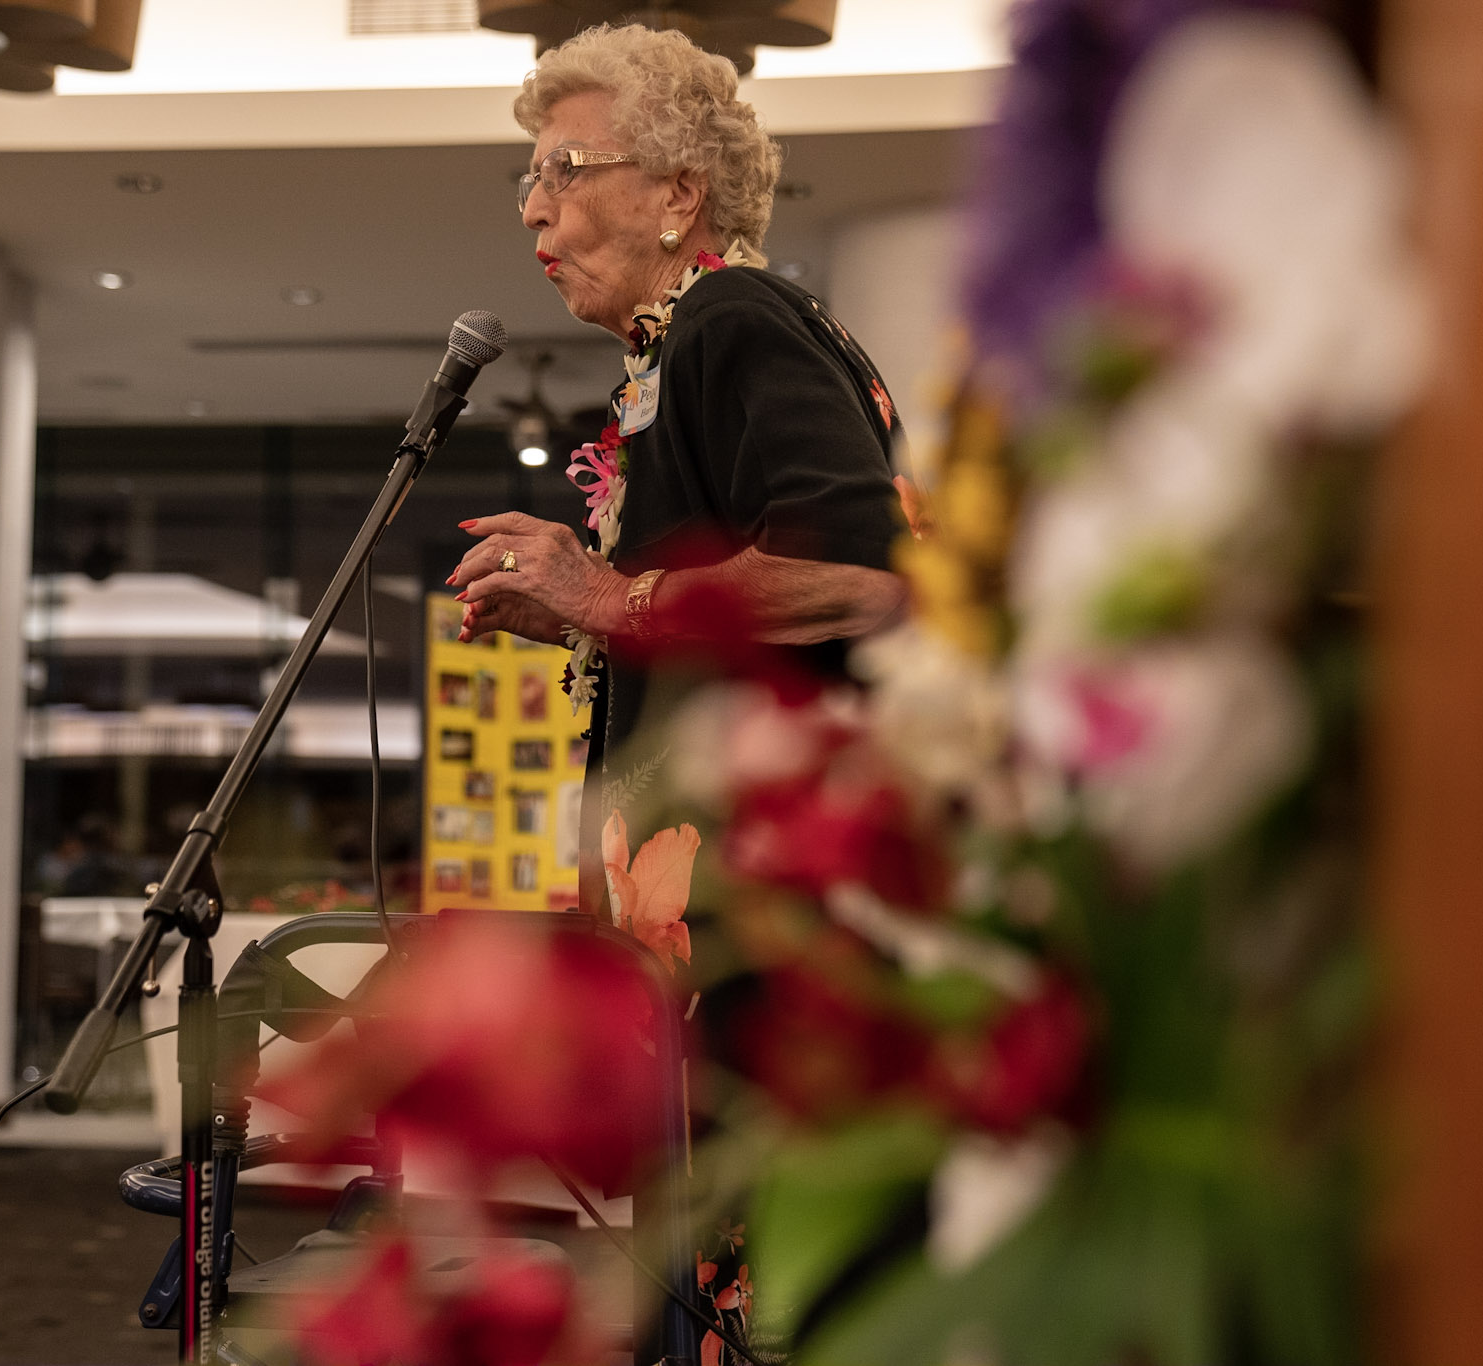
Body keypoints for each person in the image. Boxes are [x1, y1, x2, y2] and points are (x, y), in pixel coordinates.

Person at [446, 25, 910, 1358]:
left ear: (677, 195)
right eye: (528, 179)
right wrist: (590, 613)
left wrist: (607, 598)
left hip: (773, 939)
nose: (533, 208)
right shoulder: (678, 355)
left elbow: (865, 573)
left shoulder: (729, 320)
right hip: (728, 938)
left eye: (564, 168)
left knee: (774, 1298)